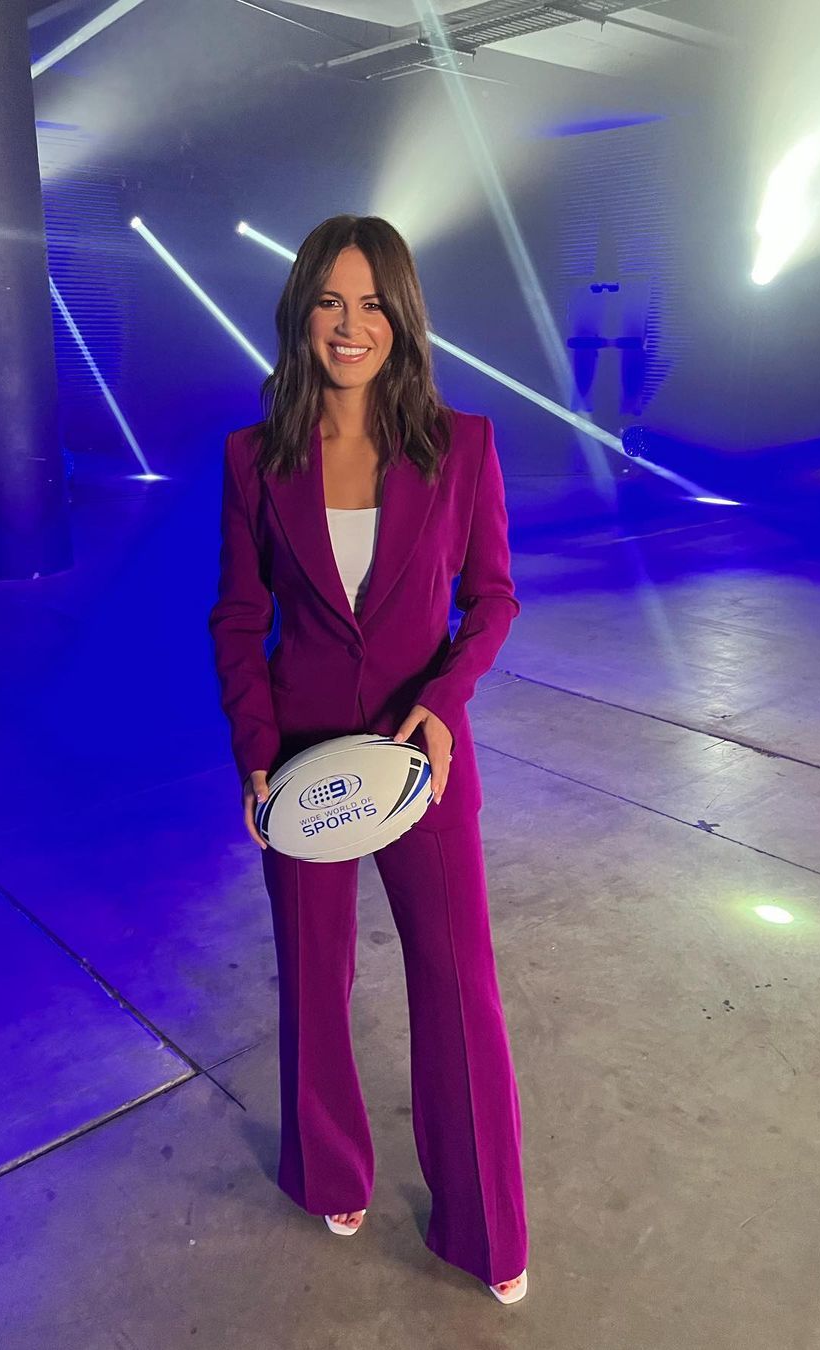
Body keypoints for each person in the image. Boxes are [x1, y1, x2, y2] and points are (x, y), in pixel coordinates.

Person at [208, 215, 528, 1304]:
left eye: (373, 303)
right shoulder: (255, 457)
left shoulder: (462, 444)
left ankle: (486, 1225)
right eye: (330, 303)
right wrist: (257, 753)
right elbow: (237, 616)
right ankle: (329, 1169)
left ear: (403, 316)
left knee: (459, 984)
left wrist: (442, 702)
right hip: (303, 762)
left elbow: (493, 599)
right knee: (315, 976)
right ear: (302, 314)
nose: (352, 325)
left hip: (420, 760)